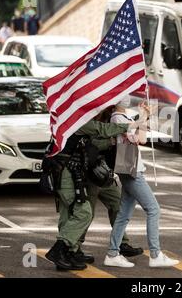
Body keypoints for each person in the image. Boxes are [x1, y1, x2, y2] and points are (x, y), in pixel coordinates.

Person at [103, 96, 179, 268]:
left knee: (123, 215)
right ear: (115, 101)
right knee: (153, 209)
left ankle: (112, 254)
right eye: (123, 95)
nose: (127, 97)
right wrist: (143, 117)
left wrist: (144, 115)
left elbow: (141, 137)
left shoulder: (124, 117)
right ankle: (155, 254)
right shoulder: (117, 118)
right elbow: (138, 139)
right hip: (133, 172)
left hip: (131, 170)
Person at [45, 119, 130, 271]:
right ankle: (59, 250)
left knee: (68, 213)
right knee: (83, 212)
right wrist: (129, 126)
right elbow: (102, 128)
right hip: (64, 172)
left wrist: (111, 142)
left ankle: (69, 253)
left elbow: (91, 146)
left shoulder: (69, 119)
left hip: (66, 171)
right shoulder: (77, 120)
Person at [77, 109, 144, 259]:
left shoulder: (111, 116)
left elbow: (129, 125)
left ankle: (122, 243)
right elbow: (91, 144)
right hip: (89, 173)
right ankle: (75, 247)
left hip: (103, 171)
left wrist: (143, 115)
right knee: (87, 212)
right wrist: (111, 141)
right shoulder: (84, 117)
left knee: (117, 205)